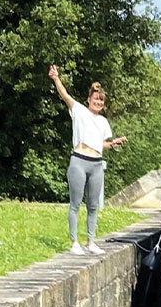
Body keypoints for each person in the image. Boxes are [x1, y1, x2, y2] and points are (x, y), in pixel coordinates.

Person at [49, 64, 127, 254]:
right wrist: (56, 78)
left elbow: (100, 143)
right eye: (96, 99)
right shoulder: (79, 110)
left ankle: (91, 242)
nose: (98, 102)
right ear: (89, 99)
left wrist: (112, 144)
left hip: (96, 164)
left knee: (93, 205)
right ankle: (74, 242)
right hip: (79, 160)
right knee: (75, 203)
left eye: (101, 100)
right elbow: (65, 95)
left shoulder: (103, 122)